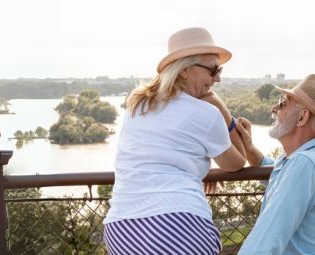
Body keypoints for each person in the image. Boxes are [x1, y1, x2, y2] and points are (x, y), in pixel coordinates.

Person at [102, 27, 247, 255]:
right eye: (213, 69)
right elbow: (237, 163)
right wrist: (222, 110)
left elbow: (157, 154)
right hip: (178, 222)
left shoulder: (138, 105)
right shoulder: (206, 114)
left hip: (121, 228)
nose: (217, 78)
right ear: (184, 71)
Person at [235, 74, 315, 255]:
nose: (274, 108)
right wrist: (249, 147)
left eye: (283, 103)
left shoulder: (304, 164)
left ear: (302, 117)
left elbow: (266, 239)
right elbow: (278, 175)